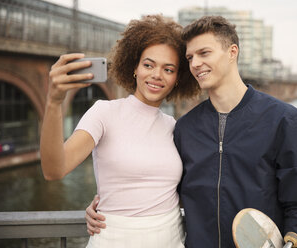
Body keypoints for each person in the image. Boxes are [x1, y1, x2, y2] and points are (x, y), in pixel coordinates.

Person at [86, 16, 297, 248]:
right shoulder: (185, 128)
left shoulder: (286, 120)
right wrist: (106, 205)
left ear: (232, 52)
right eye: (190, 57)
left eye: (204, 53)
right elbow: (162, 188)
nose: (195, 63)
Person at [40, 15, 199, 248]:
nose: (157, 75)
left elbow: (186, 193)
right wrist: (54, 102)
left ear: (177, 78)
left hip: (171, 239)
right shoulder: (104, 113)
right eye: (148, 65)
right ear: (134, 67)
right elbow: (54, 170)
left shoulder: (175, 127)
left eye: (168, 69)